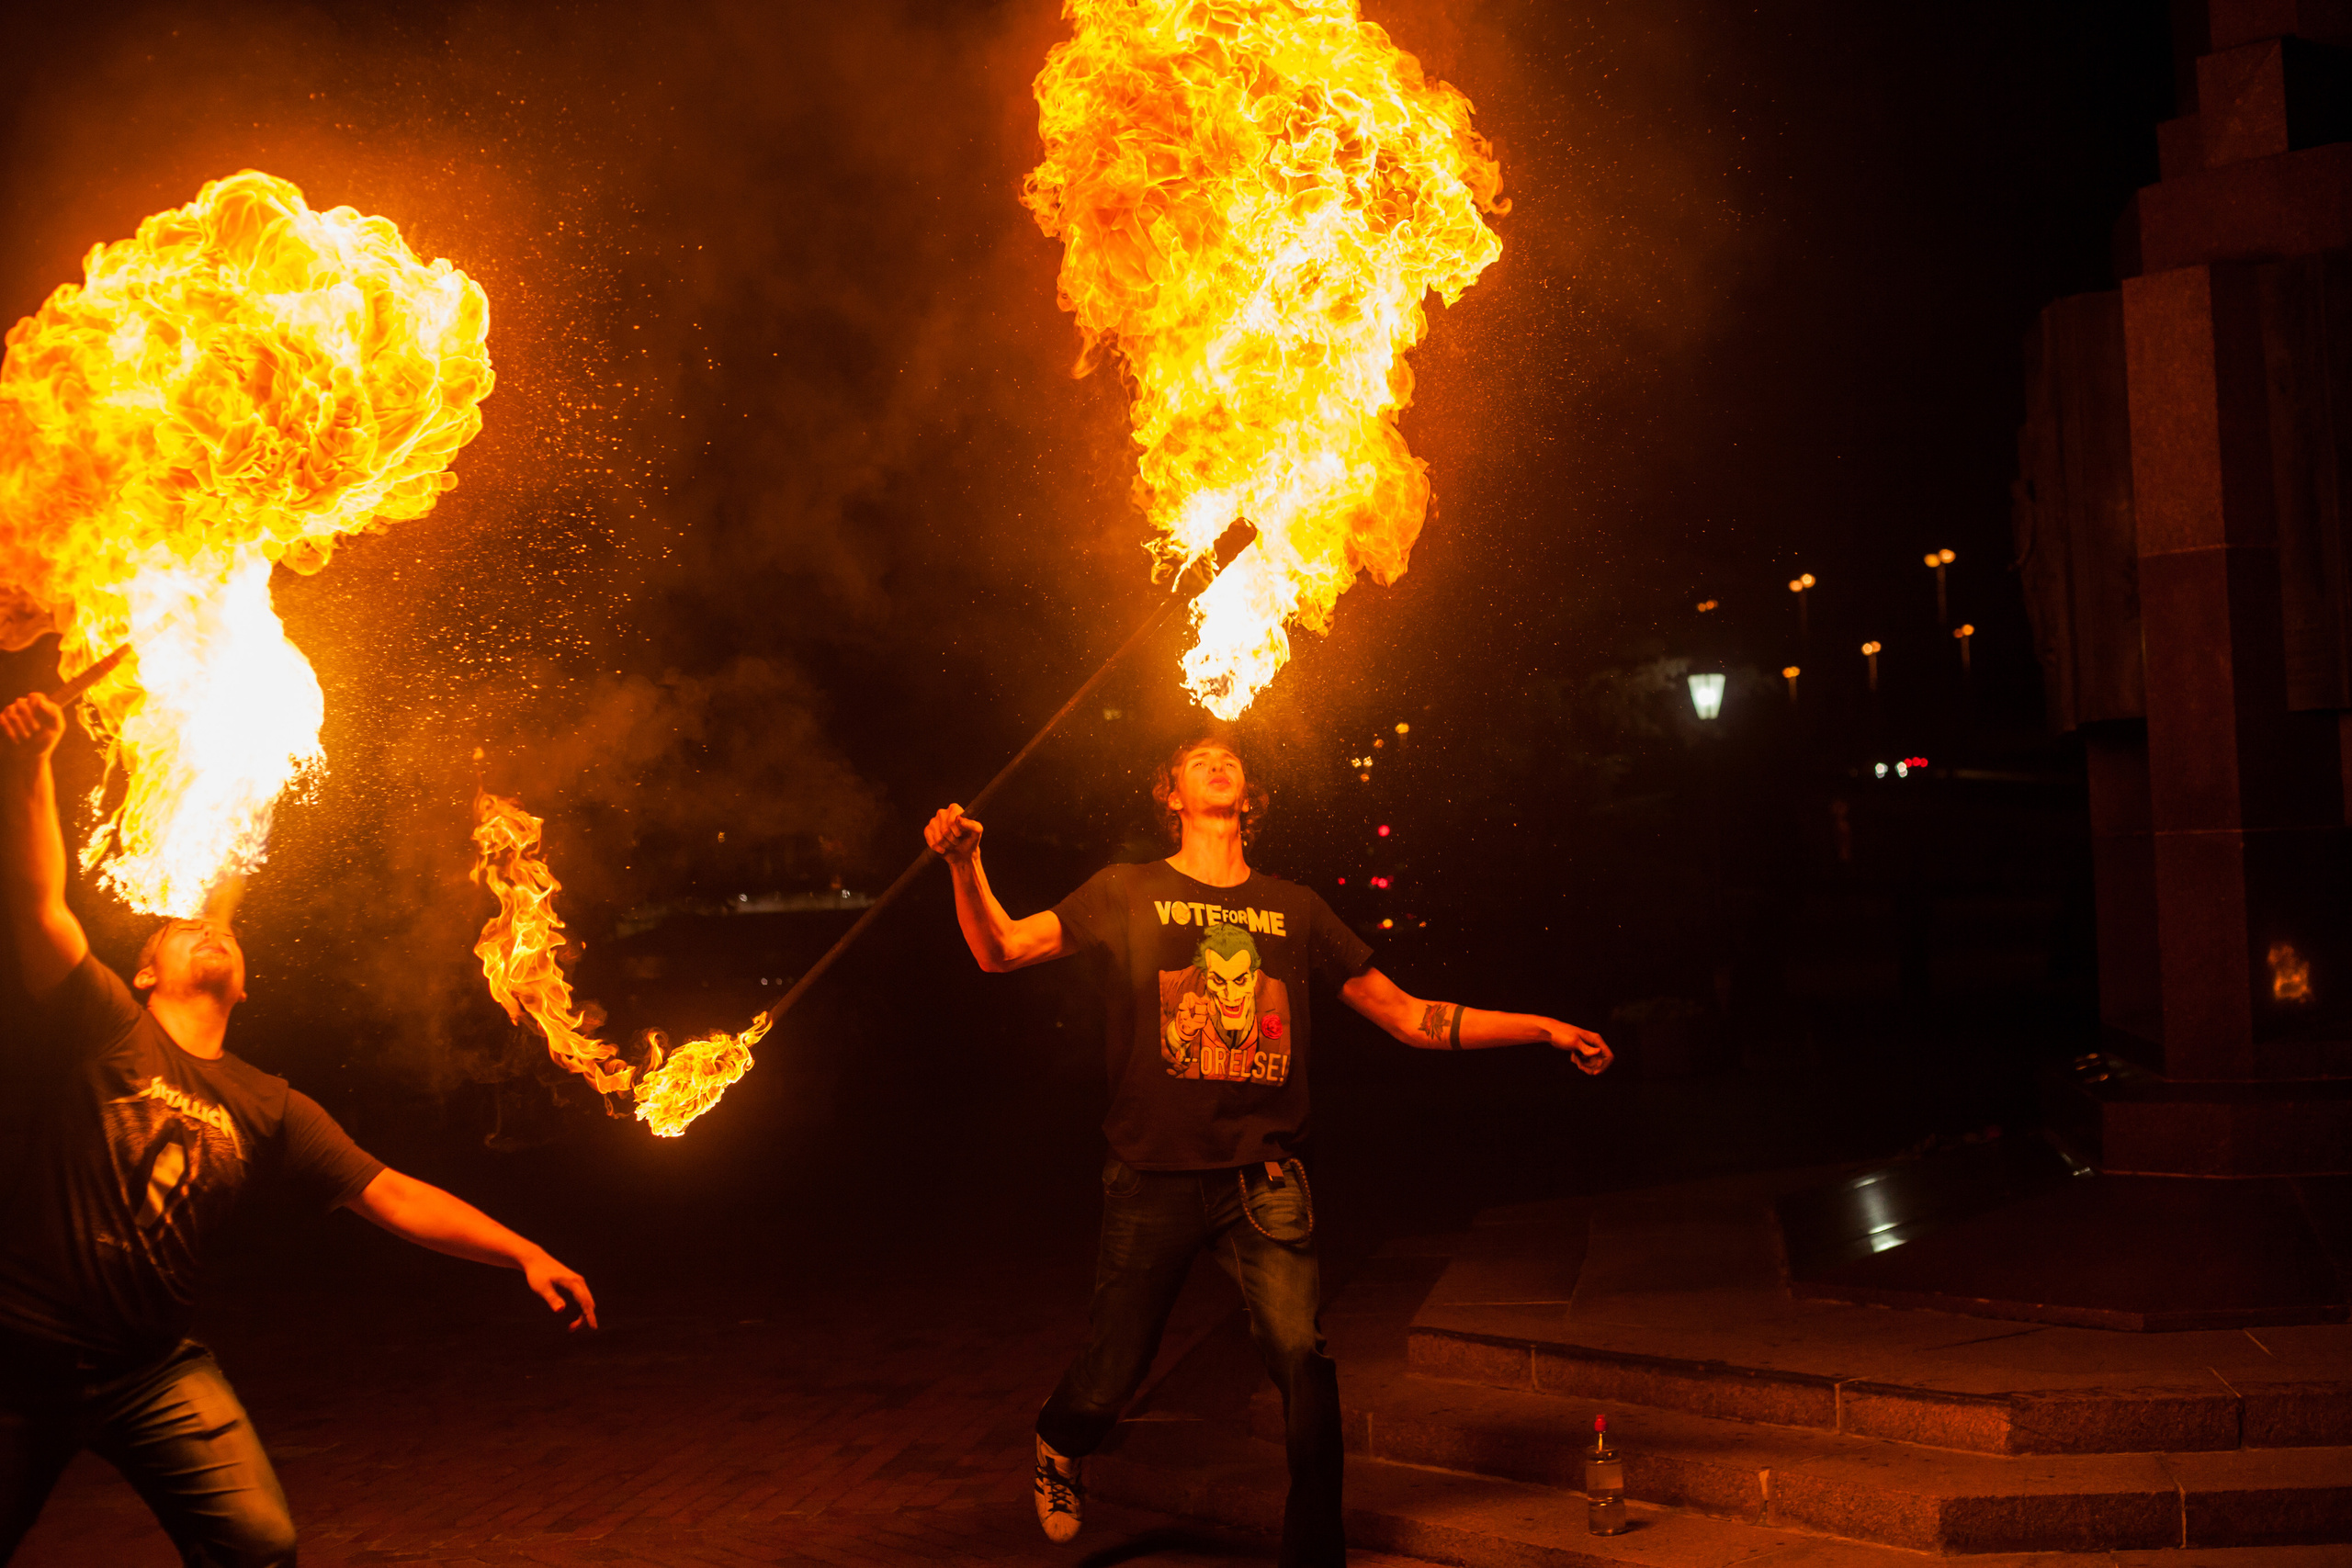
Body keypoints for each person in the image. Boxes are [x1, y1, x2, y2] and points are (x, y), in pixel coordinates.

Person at [922, 733, 1612, 1568]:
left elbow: (1407, 1015)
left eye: (1231, 760)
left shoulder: (1295, 907)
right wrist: (966, 866)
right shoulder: (1126, 890)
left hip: (1266, 1176)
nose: (1219, 764)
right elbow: (1000, 950)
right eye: (1197, 759)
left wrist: (1542, 1026)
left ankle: (1315, 1555)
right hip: (1152, 1174)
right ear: (1170, 793)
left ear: (1249, 797)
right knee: (1112, 1370)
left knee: (1302, 1356)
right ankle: (1060, 1437)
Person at [0, 691, 599, 1567]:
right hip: (20, 1351)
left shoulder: (268, 1103)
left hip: (149, 1369)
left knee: (261, 1544)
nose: (209, 932)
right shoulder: (104, 1028)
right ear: (140, 970)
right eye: (182, 927)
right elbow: (41, 902)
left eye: (226, 935)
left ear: (243, 986)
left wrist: (523, 1251)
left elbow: (391, 1193)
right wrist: (29, 762)